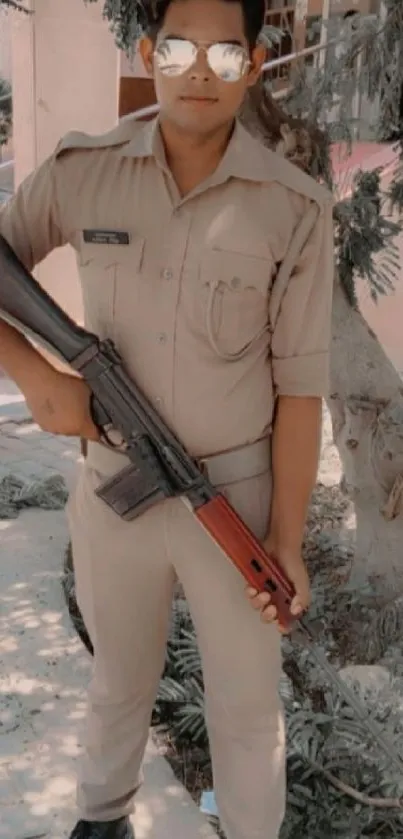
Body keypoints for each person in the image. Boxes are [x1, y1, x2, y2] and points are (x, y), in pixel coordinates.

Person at [0, 0, 335, 837]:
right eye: (180, 49)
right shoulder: (85, 170)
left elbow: (299, 388)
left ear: (253, 68)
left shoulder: (292, 205)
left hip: (234, 494)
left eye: (226, 56)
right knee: (117, 681)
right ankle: (101, 818)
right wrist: (40, 379)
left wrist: (285, 540)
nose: (199, 71)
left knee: (247, 710)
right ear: (148, 50)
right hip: (116, 483)